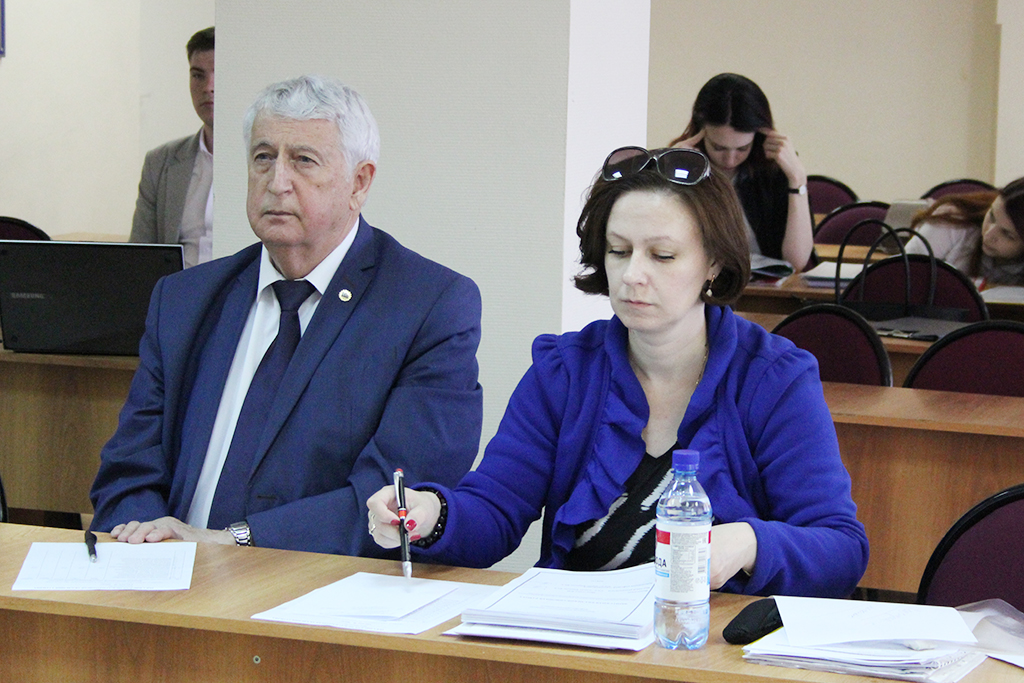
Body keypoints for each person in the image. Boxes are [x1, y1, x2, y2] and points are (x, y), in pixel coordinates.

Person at [368, 146, 868, 598]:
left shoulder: (773, 378)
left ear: (714, 264)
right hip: (582, 641)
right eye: (619, 251)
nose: (632, 275)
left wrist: (749, 542)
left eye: (662, 255)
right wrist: (431, 515)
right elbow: (496, 509)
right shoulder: (564, 371)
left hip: (712, 646)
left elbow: (840, 549)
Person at [90, 75, 483, 556]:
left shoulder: (428, 305)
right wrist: (149, 540)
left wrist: (230, 544)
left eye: (303, 160)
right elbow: (128, 470)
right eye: (263, 157)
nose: (277, 182)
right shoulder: (185, 300)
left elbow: (394, 497)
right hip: (168, 580)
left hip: (317, 586)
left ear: (360, 182)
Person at [670, 73, 814, 272]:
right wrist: (670, 175)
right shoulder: (681, 165)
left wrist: (797, 178)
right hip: (694, 282)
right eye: (718, 147)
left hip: (762, 287)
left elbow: (796, 261)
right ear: (700, 133)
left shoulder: (775, 170)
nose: (730, 160)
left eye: (742, 148)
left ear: (760, 136)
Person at [129, 27, 216, 268]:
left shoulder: (265, 162)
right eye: (197, 75)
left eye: (218, 74)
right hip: (177, 288)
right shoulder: (160, 162)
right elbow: (139, 255)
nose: (208, 87)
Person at [905, 178, 1024, 288]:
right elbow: (902, 275)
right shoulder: (952, 223)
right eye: (991, 216)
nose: (988, 234)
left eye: (1007, 234)